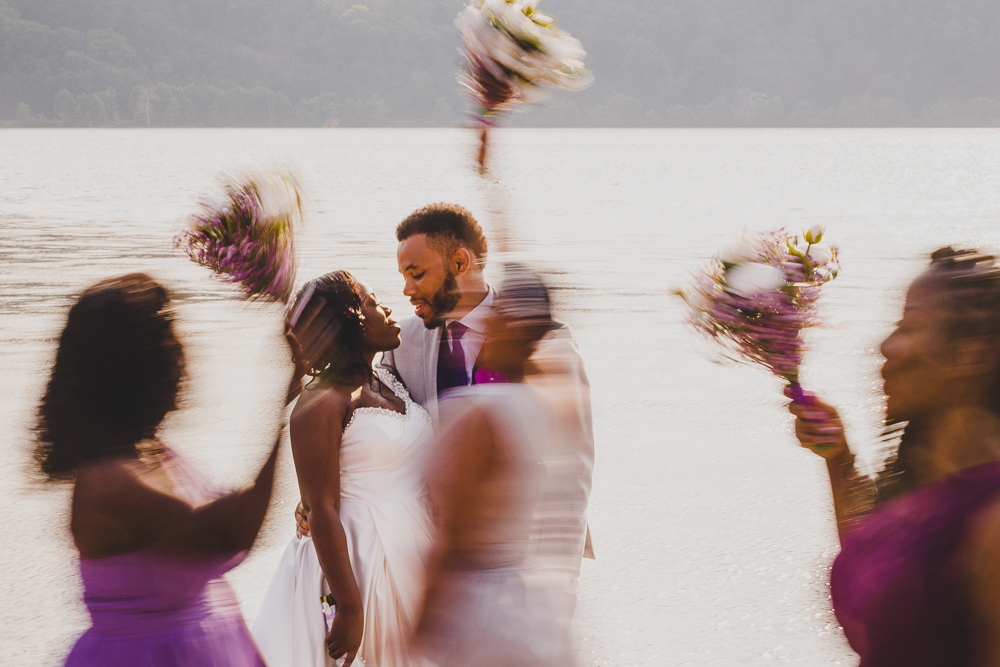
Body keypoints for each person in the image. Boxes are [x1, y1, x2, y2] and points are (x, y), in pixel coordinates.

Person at [38, 273, 312, 666]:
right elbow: (231, 533)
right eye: (167, 334)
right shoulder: (107, 480)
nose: (181, 347)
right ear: (134, 363)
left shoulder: (151, 451)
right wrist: (285, 409)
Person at [787, 247, 1000, 667]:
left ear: (968, 354)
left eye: (909, 326)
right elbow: (885, 575)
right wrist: (838, 458)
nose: (886, 346)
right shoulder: (933, 484)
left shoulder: (991, 521)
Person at [253, 271, 435, 667]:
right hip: (359, 562)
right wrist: (350, 609)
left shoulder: (388, 377)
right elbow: (321, 507)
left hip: (417, 543)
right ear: (348, 320)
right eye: (372, 303)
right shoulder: (321, 402)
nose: (387, 309)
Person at [414, 265, 576, 667]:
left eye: (497, 312)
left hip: (475, 606)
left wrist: (421, 625)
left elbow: (453, 536)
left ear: (503, 324)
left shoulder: (478, 415)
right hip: (531, 601)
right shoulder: (544, 404)